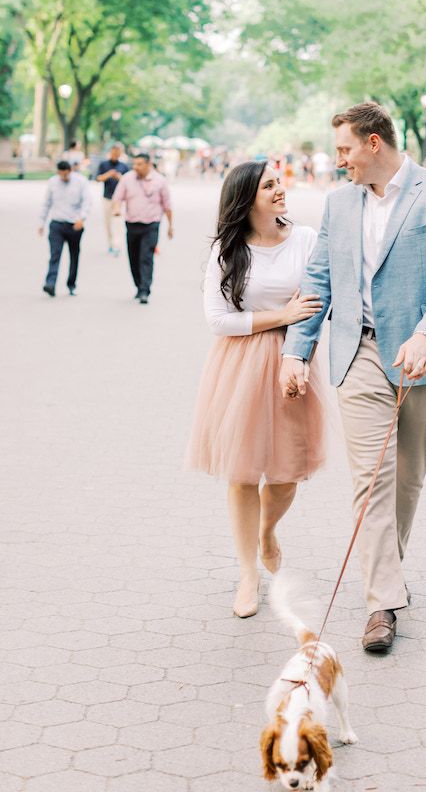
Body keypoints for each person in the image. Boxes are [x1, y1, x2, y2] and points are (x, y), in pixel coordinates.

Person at [279, 102, 426, 653]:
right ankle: (382, 603)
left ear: (372, 144)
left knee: (408, 476)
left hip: (420, 356)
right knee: (373, 478)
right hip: (357, 351)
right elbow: (318, 280)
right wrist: (298, 352)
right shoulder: (338, 204)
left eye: (344, 150)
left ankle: (388, 573)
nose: (338, 161)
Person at [185, 161, 326, 618]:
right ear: (246, 199)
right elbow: (217, 320)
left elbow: (319, 301)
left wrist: (299, 348)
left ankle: (266, 531)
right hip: (240, 364)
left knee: (286, 472)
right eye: (269, 186)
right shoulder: (228, 251)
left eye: (279, 182)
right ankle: (248, 574)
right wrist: (280, 316)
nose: (281, 190)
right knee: (243, 472)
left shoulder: (305, 240)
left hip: (293, 361)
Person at [112, 153, 173, 304]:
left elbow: (167, 205)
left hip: (151, 225)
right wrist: (116, 209)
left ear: (148, 164)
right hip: (132, 224)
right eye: (134, 164)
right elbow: (117, 197)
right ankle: (139, 286)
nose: (135, 167)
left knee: (145, 257)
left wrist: (171, 226)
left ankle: (145, 290)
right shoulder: (127, 178)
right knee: (133, 257)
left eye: (139, 164)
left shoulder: (160, 180)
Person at [38, 160, 92, 297]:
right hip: (57, 223)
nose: (64, 177)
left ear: (70, 171)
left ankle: (71, 284)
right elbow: (47, 203)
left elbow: (87, 201)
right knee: (54, 255)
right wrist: (41, 223)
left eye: (66, 174)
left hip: (75, 224)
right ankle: (50, 283)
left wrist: (82, 217)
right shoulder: (53, 182)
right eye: (61, 174)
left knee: (74, 255)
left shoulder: (81, 182)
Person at [96, 143, 129, 256]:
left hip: (119, 200)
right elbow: (98, 178)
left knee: (118, 223)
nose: (115, 154)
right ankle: (110, 244)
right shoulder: (104, 164)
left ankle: (117, 245)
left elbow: (129, 182)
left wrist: (120, 177)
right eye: (114, 151)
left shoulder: (124, 166)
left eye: (118, 151)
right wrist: (109, 174)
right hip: (107, 197)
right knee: (108, 223)